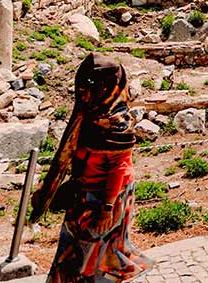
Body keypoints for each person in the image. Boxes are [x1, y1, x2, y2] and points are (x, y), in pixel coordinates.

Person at [30, 53, 148, 283]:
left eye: (93, 86)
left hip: (106, 197)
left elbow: (118, 167)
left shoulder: (118, 122)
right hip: (85, 192)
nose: (84, 91)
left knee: (93, 259)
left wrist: (106, 207)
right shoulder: (91, 111)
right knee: (77, 255)